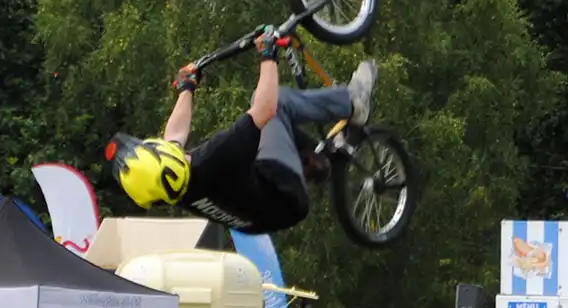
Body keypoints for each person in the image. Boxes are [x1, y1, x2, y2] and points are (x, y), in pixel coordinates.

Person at [105, 27, 377, 236]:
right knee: (277, 103)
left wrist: (186, 88)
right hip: (284, 192)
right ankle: (353, 101)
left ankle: (323, 158)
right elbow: (265, 109)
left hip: (256, 217)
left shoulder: (171, 186)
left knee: (263, 138)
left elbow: (174, 137)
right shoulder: (216, 157)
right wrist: (268, 53)